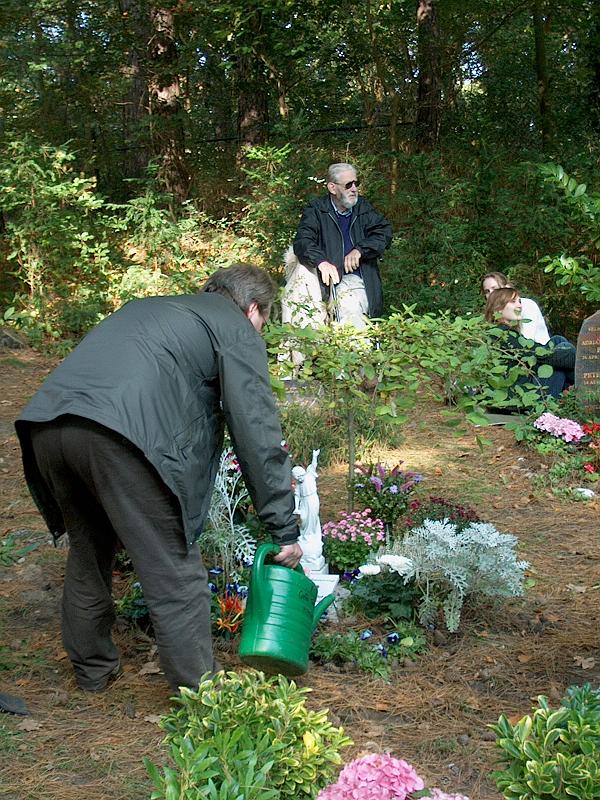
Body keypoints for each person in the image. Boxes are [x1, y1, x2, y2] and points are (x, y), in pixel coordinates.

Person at [15, 263, 303, 694]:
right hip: (121, 438)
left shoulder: (150, 309)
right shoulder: (234, 327)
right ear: (252, 309)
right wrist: (283, 527)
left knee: (89, 549)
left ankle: (93, 670)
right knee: (175, 570)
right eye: (264, 321)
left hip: (49, 427)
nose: (260, 331)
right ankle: (203, 696)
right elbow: (256, 430)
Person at [293, 163, 393, 329]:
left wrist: (360, 250)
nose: (354, 189)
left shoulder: (362, 208)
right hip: (324, 283)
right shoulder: (317, 210)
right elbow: (303, 241)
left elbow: (384, 232)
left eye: (356, 183)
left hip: (358, 281)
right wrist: (321, 262)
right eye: (348, 185)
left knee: (352, 315)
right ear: (332, 188)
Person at [484, 287, 575, 399]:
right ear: (498, 309)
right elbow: (538, 354)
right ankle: (584, 386)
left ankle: (579, 385)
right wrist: (576, 356)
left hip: (525, 387)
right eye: (513, 301)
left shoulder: (508, 332)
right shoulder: (501, 334)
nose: (519, 305)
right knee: (562, 356)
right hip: (522, 397)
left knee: (558, 341)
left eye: (519, 301)